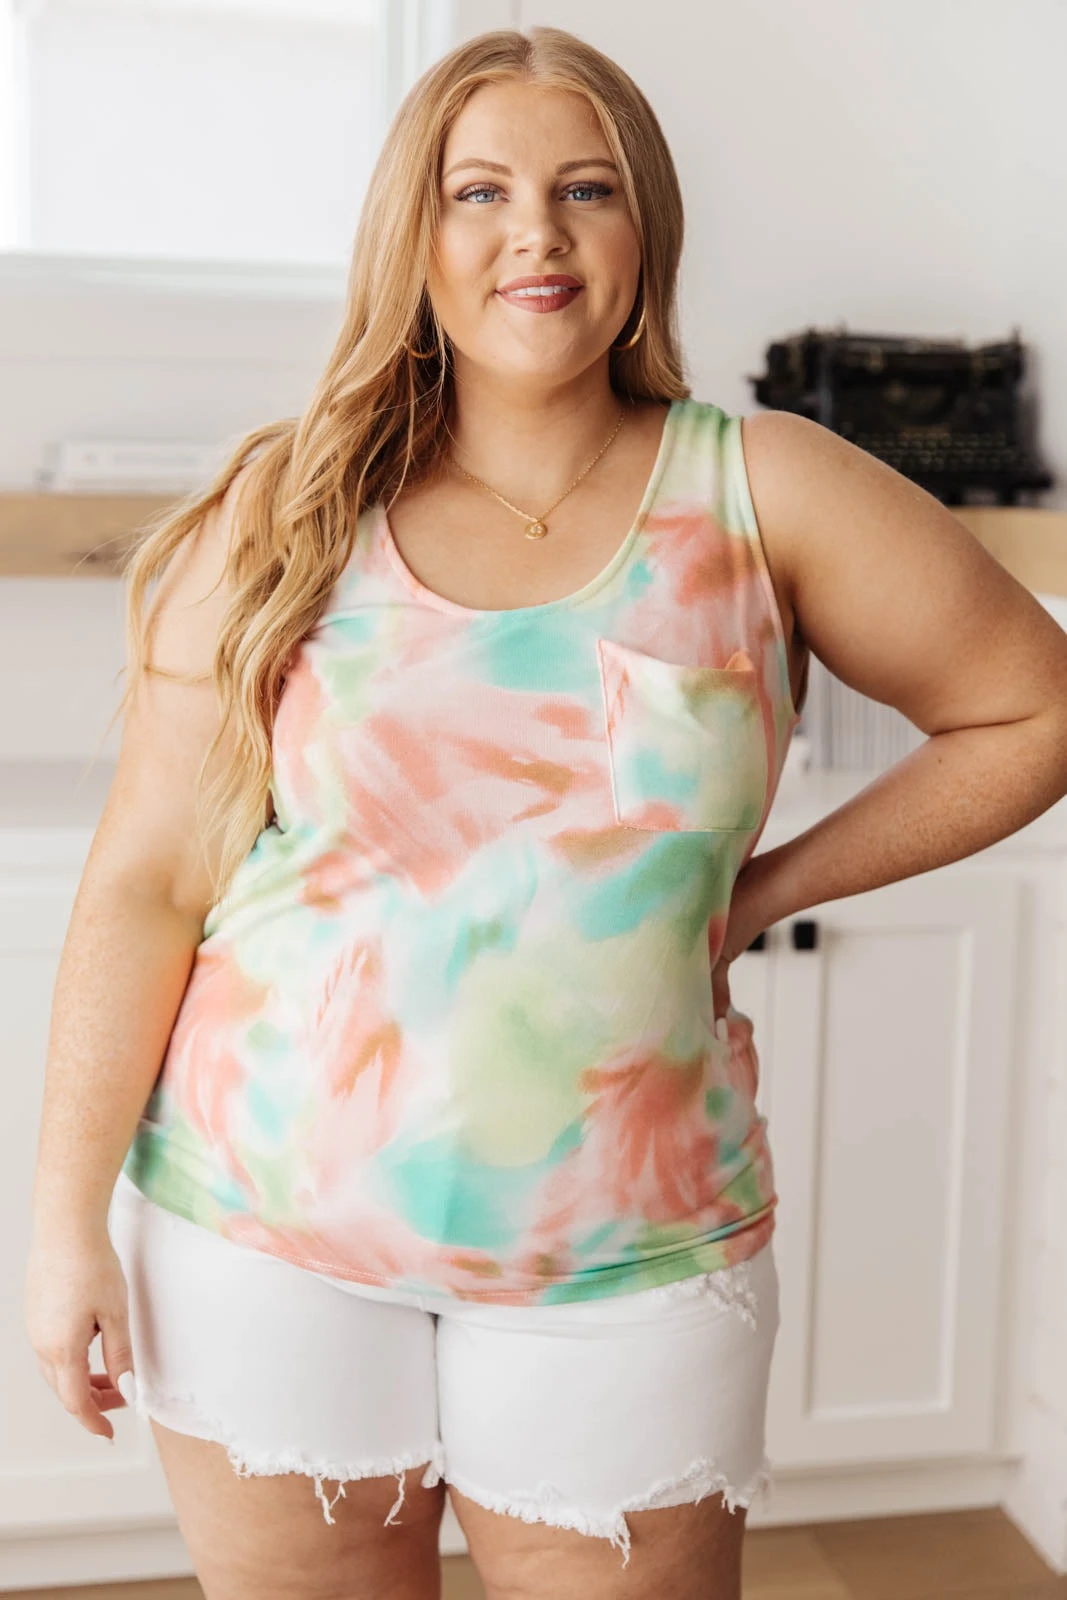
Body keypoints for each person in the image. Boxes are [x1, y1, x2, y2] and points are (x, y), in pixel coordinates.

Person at [24, 22, 1067, 1600]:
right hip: (258, 1231)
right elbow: (148, 885)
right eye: (480, 192)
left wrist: (766, 887)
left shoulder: (762, 488)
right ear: (414, 234)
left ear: (644, 229)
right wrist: (61, 1228)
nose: (536, 233)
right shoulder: (286, 511)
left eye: (586, 189)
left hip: (628, 1259)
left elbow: (1032, 707)